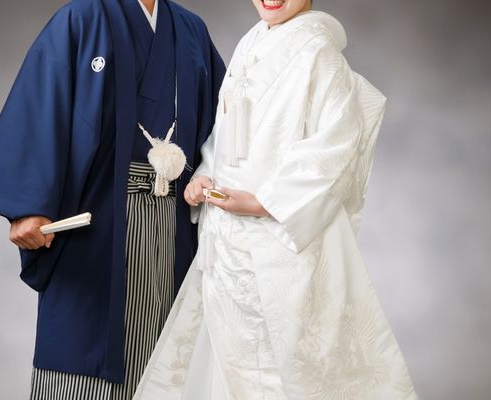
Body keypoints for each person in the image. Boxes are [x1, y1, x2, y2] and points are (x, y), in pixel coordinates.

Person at [133, 0, 417, 399]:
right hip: (227, 241)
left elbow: (335, 145)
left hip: (279, 241)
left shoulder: (319, 52)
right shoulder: (250, 44)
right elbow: (225, 134)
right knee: (229, 363)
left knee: (279, 370)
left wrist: (264, 201)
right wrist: (205, 175)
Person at [0, 0, 225, 398]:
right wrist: (29, 206)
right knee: (83, 355)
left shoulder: (191, 31)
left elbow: (226, 124)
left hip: (172, 224)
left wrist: (209, 172)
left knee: (167, 361)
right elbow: (43, 103)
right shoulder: (81, 18)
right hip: (96, 220)